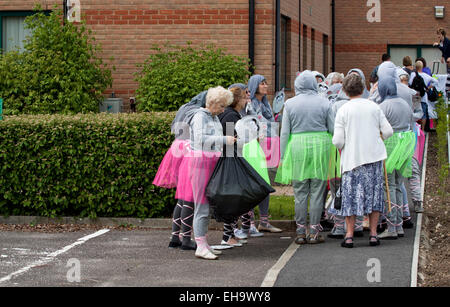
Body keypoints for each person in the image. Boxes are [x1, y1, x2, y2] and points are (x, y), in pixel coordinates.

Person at [332, 73, 393, 248]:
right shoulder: (374, 107)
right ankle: (373, 234)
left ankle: (349, 235)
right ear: (363, 88)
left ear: (345, 90)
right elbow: (388, 131)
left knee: (350, 198)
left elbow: (338, 141)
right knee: (374, 196)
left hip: (352, 161)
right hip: (373, 159)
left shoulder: (343, 110)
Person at [276, 70, 334, 244]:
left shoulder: (290, 104)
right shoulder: (324, 103)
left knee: (300, 192)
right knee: (317, 190)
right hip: (321, 146)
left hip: (298, 146)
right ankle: (315, 232)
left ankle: (301, 231)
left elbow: (285, 132)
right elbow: (332, 128)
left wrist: (283, 155)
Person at [181, 86, 235, 260]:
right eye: (222, 106)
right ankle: (201, 246)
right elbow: (200, 139)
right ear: (213, 103)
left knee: (206, 205)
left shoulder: (213, 117)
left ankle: (203, 243)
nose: (223, 110)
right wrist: (224, 139)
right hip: (200, 162)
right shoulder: (199, 117)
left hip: (210, 161)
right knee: (202, 205)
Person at [377, 74, 415, 240]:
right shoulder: (405, 104)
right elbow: (411, 123)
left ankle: (391, 225)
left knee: (389, 185)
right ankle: (398, 224)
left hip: (390, 145)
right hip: (405, 144)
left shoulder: (383, 106)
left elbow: (379, 128)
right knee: (399, 184)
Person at [245, 75, 282, 234]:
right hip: (255, 145)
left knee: (266, 183)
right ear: (254, 86)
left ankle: (264, 221)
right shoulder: (250, 104)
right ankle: (251, 222)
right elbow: (256, 123)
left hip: (268, 145)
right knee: (254, 183)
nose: (266, 86)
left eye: (266, 83)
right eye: (262, 83)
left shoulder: (264, 103)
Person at [217, 84, 250, 247]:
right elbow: (232, 140)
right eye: (244, 97)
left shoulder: (229, 114)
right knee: (233, 197)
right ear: (238, 99)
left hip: (227, 158)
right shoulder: (232, 117)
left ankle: (230, 234)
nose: (246, 100)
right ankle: (227, 235)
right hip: (230, 159)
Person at [409, 60, 438, 131]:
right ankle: (422, 130)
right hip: (423, 97)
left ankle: (415, 130)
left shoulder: (412, 75)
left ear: (415, 66)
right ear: (422, 67)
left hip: (414, 97)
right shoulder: (426, 76)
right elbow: (436, 81)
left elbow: (409, 83)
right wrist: (429, 87)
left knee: (414, 113)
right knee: (424, 114)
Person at [433, 28, 450, 94]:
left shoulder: (447, 41)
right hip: (447, 58)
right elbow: (443, 50)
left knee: (449, 72)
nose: (438, 36)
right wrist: (442, 57)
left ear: (442, 35)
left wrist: (437, 45)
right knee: (447, 71)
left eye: (439, 34)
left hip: (449, 58)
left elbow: (445, 49)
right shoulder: (441, 41)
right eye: (438, 35)